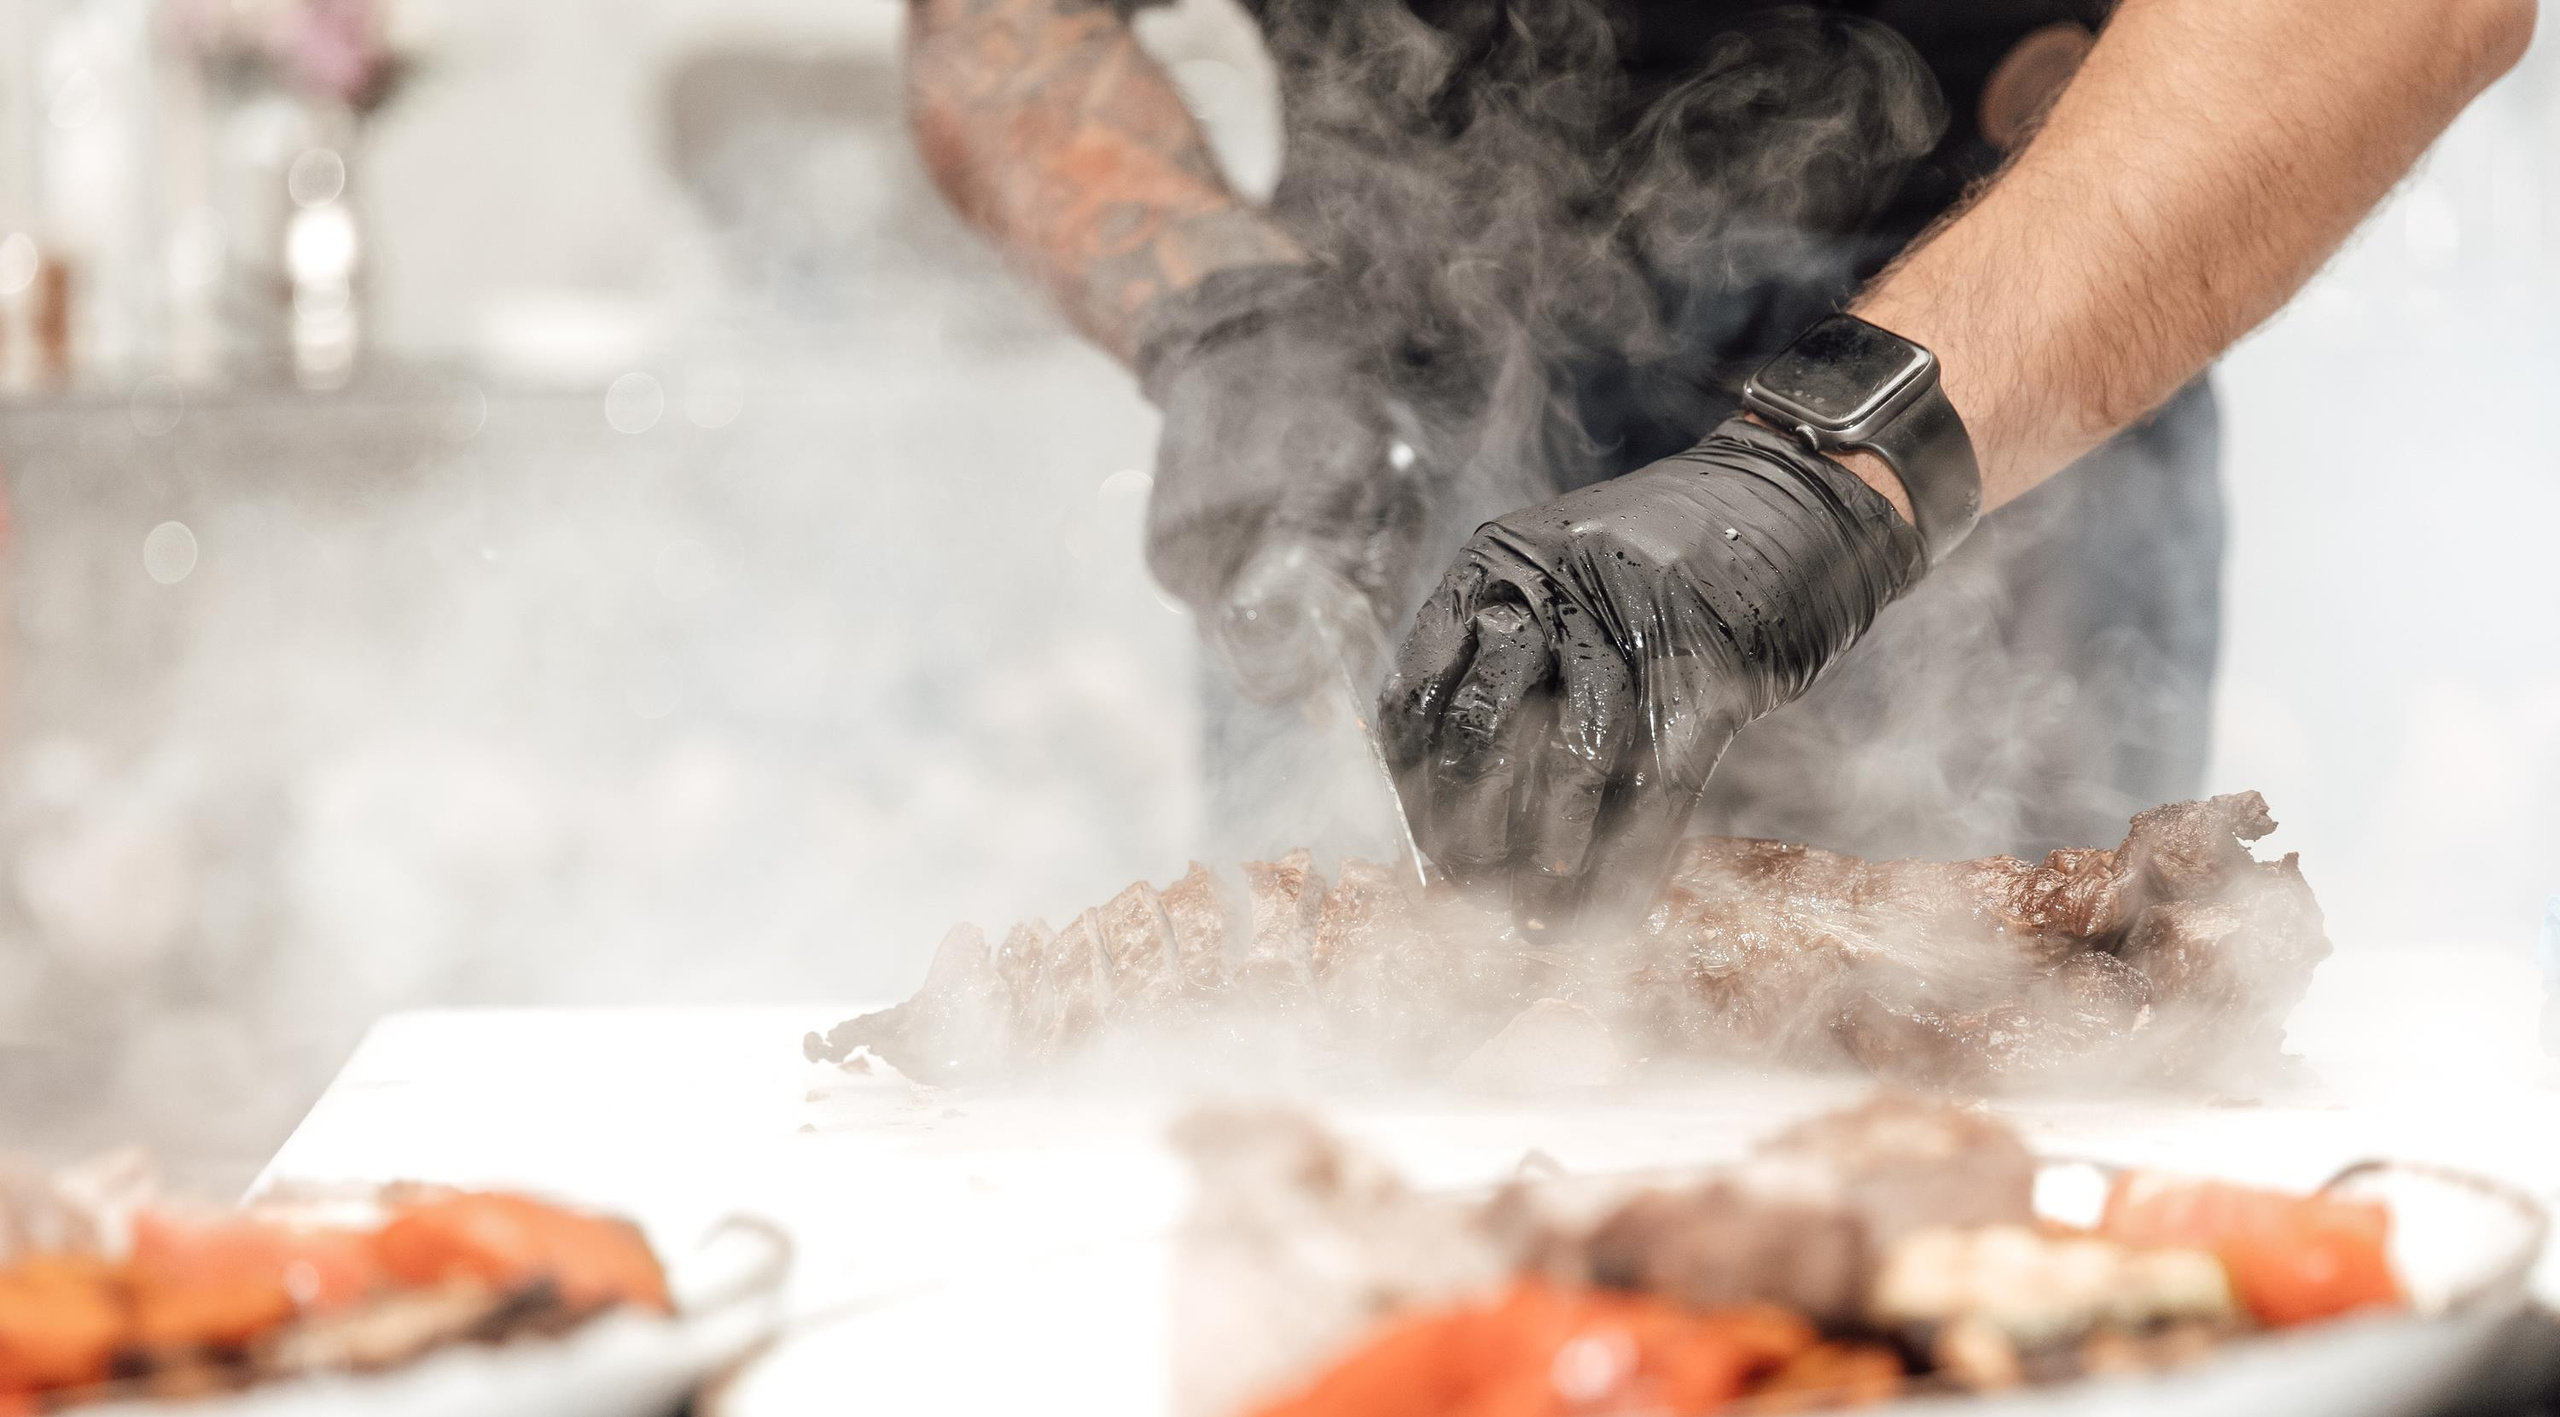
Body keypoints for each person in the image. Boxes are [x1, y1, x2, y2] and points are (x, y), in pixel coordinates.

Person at [906, 0, 2532, 920]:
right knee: (1375, 1126)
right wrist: (1224, 322)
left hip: (2000, 387)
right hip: (1387, 413)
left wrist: (1835, 466)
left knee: (2000, 1117)